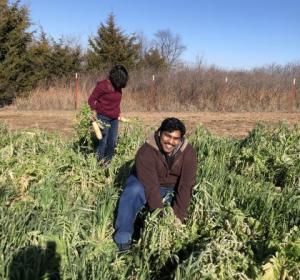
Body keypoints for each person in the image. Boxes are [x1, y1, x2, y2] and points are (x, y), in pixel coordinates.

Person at [114, 117, 197, 252]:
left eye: (176, 138)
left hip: (171, 188)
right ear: (159, 133)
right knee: (133, 191)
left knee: (181, 204)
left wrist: (176, 220)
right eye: (167, 136)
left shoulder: (189, 154)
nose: (170, 142)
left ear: (181, 139)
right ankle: (123, 238)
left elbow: (185, 186)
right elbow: (150, 187)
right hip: (144, 182)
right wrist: (160, 216)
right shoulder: (146, 152)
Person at [88, 64, 129, 162]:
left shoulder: (118, 87)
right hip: (103, 118)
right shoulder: (102, 86)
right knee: (103, 142)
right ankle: (99, 164)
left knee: (112, 142)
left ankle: (108, 164)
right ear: (116, 78)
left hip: (114, 119)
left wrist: (119, 113)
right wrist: (93, 111)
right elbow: (91, 100)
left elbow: (116, 103)